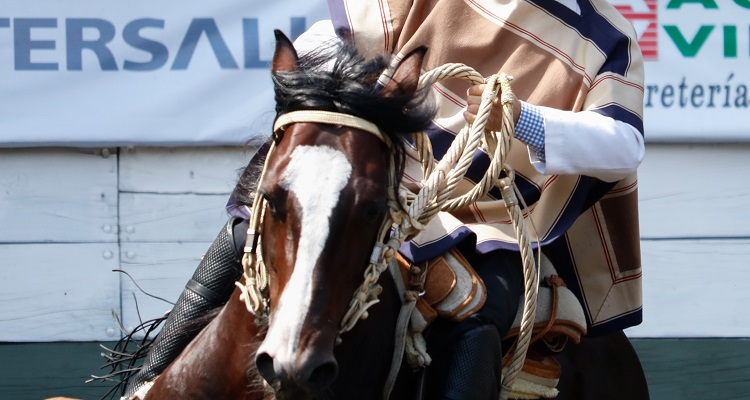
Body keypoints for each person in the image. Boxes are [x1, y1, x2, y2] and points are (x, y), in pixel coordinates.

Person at [123, 0, 645, 398]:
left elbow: (623, 144)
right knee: (247, 225)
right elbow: (329, 38)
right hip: (392, 175)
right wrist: (339, 83)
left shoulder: (605, 39)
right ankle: (147, 383)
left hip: (492, 220)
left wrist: (520, 119)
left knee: (476, 313)